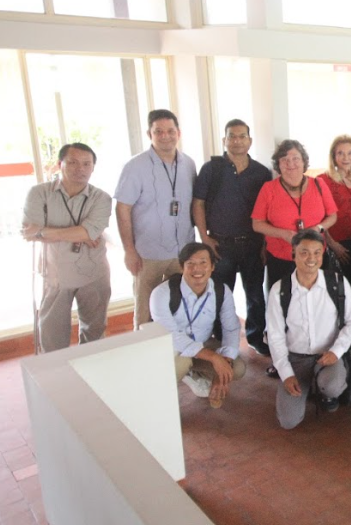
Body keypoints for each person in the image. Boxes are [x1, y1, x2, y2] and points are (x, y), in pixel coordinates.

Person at [21, 143, 112, 353]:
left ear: (93, 168)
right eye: (72, 162)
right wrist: (80, 232)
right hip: (55, 274)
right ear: (59, 164)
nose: (79, 168)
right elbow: (28, 232)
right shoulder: (39, 193)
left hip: (93, 272)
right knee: (52, 335)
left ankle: (91, 372)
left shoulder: (101, 198)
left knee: (95, 332)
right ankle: (57, 379)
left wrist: (44, 230)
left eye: (86, 164)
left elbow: (89, 232)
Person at [266, 230, 351, 430]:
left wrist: (336, 352)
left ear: (323, 254)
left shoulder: (337, 283)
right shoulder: (279, 290)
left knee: (332, 385)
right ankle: (305, 384)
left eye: (317, 253)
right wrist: (286, 373)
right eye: (304, 252)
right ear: (293, 254)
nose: (311, 258)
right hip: (295, 358)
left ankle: (326, 392)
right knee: (288, 422)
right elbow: (275, 336)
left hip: (327, 356)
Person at [192, 119, 272, 357]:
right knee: (220, 294)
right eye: (231, 136)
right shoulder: (211, 169)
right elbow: (198, 203)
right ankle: (220, 340)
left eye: (242, 136)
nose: (237, 141)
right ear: (224, 140)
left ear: (250, 141)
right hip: (220, 244)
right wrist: (204, 238)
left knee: (255, 294)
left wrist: (266, 243)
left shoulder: (261, 172)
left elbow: (268, 210)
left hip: (252, 243)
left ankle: (256, 337)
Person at [114, 109, 197, 328]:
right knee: (145, 310)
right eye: (158, 131)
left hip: (183, 251)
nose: (165, 136)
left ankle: (182, 353)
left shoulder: (188, 164)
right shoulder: (135, 166)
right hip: (148, 253)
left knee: (182, 306)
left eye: (170, 131)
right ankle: (143, 353)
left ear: (178, 133)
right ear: (149, 134)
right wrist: (129, 250)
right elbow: (122, 209)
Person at [148, 242, 246, 409]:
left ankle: (194, 373)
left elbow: (231, 328)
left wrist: (225, 364)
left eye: (203, 263)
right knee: (179, 366)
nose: (197, 269)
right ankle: (160, 406)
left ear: (212, 267)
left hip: (203, 343)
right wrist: (214, 358)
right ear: (182, 267)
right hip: (173, 349)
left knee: (237, 368)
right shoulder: (162, 294)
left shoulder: (221, 291)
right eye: (190, 264)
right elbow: (172, 336)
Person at [251, 139, 338, 288]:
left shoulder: (319, 184)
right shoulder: (268, 189)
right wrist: (282, 234)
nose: (290, 164)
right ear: (278, 165)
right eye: (284, 160)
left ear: (304, 162)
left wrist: (318, 229)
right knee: (283, 305)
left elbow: (333, 216)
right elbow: (257, 224)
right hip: (281, 259)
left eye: (295, 158)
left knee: (317, 303)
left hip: (315, 257)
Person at [321, 135, 351, 310]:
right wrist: (333, 244)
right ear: (333, 156)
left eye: (350, 153)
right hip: (340, 244)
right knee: (343, 291)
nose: (346, 157)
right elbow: (319, 218)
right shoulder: (324, 180)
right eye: (340, 153)